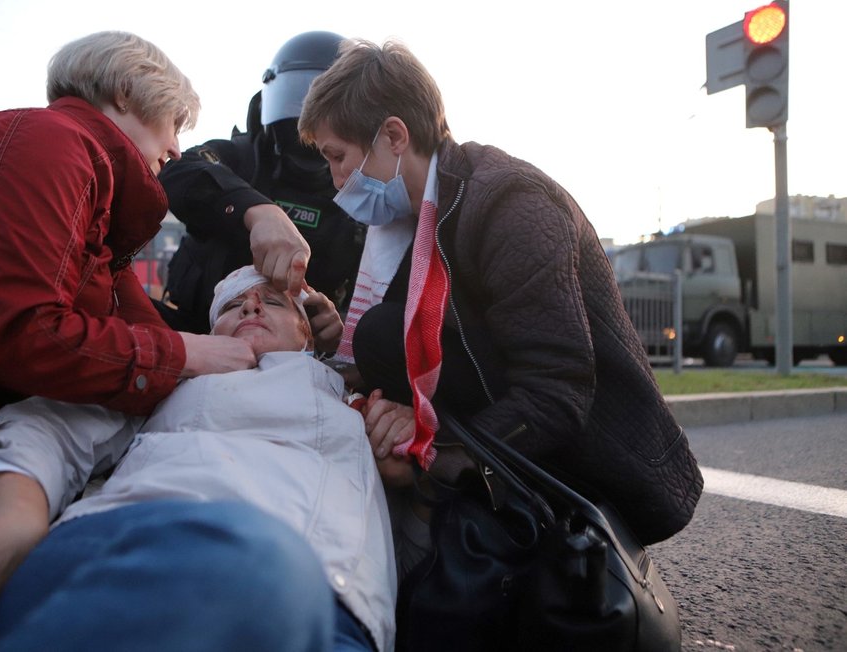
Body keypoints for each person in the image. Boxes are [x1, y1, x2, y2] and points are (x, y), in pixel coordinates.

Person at [0, 31, 261, 609]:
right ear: (127, 91)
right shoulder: (50, 142)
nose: (178, 149)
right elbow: (24, 333)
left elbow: (142, 336)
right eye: (175, 123)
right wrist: (191, 354)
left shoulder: (98, 214)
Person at [297, 39, 704, 549]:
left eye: (339, 158)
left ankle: (456, 514)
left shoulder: (512, 204)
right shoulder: (417, 219)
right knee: (381, 333)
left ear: (394, 136)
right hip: (521, 430)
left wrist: (430, 452)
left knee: (386, 334)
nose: (336, 181)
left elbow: (557, 393)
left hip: (598, 465)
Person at [0, 266, 397, 652]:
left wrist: (417, 466)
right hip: (121, 549)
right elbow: (43, 429)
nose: (252, 308)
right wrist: (15, 523)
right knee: (258, 564)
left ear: (308, 335)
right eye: (236, 306)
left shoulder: (362, 409)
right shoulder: (168, 377)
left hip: (337, 613)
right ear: (210, 331)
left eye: (273, 302)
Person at [156, 31, 363, 350]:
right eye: (299, 97)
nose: (307, 117)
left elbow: (381, 294)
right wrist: (256, 212)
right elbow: (180, 169)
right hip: (195, 333)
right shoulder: (242, 157)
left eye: (327, 102)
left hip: (295, 354)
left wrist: (339, 327)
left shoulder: (363, 193)